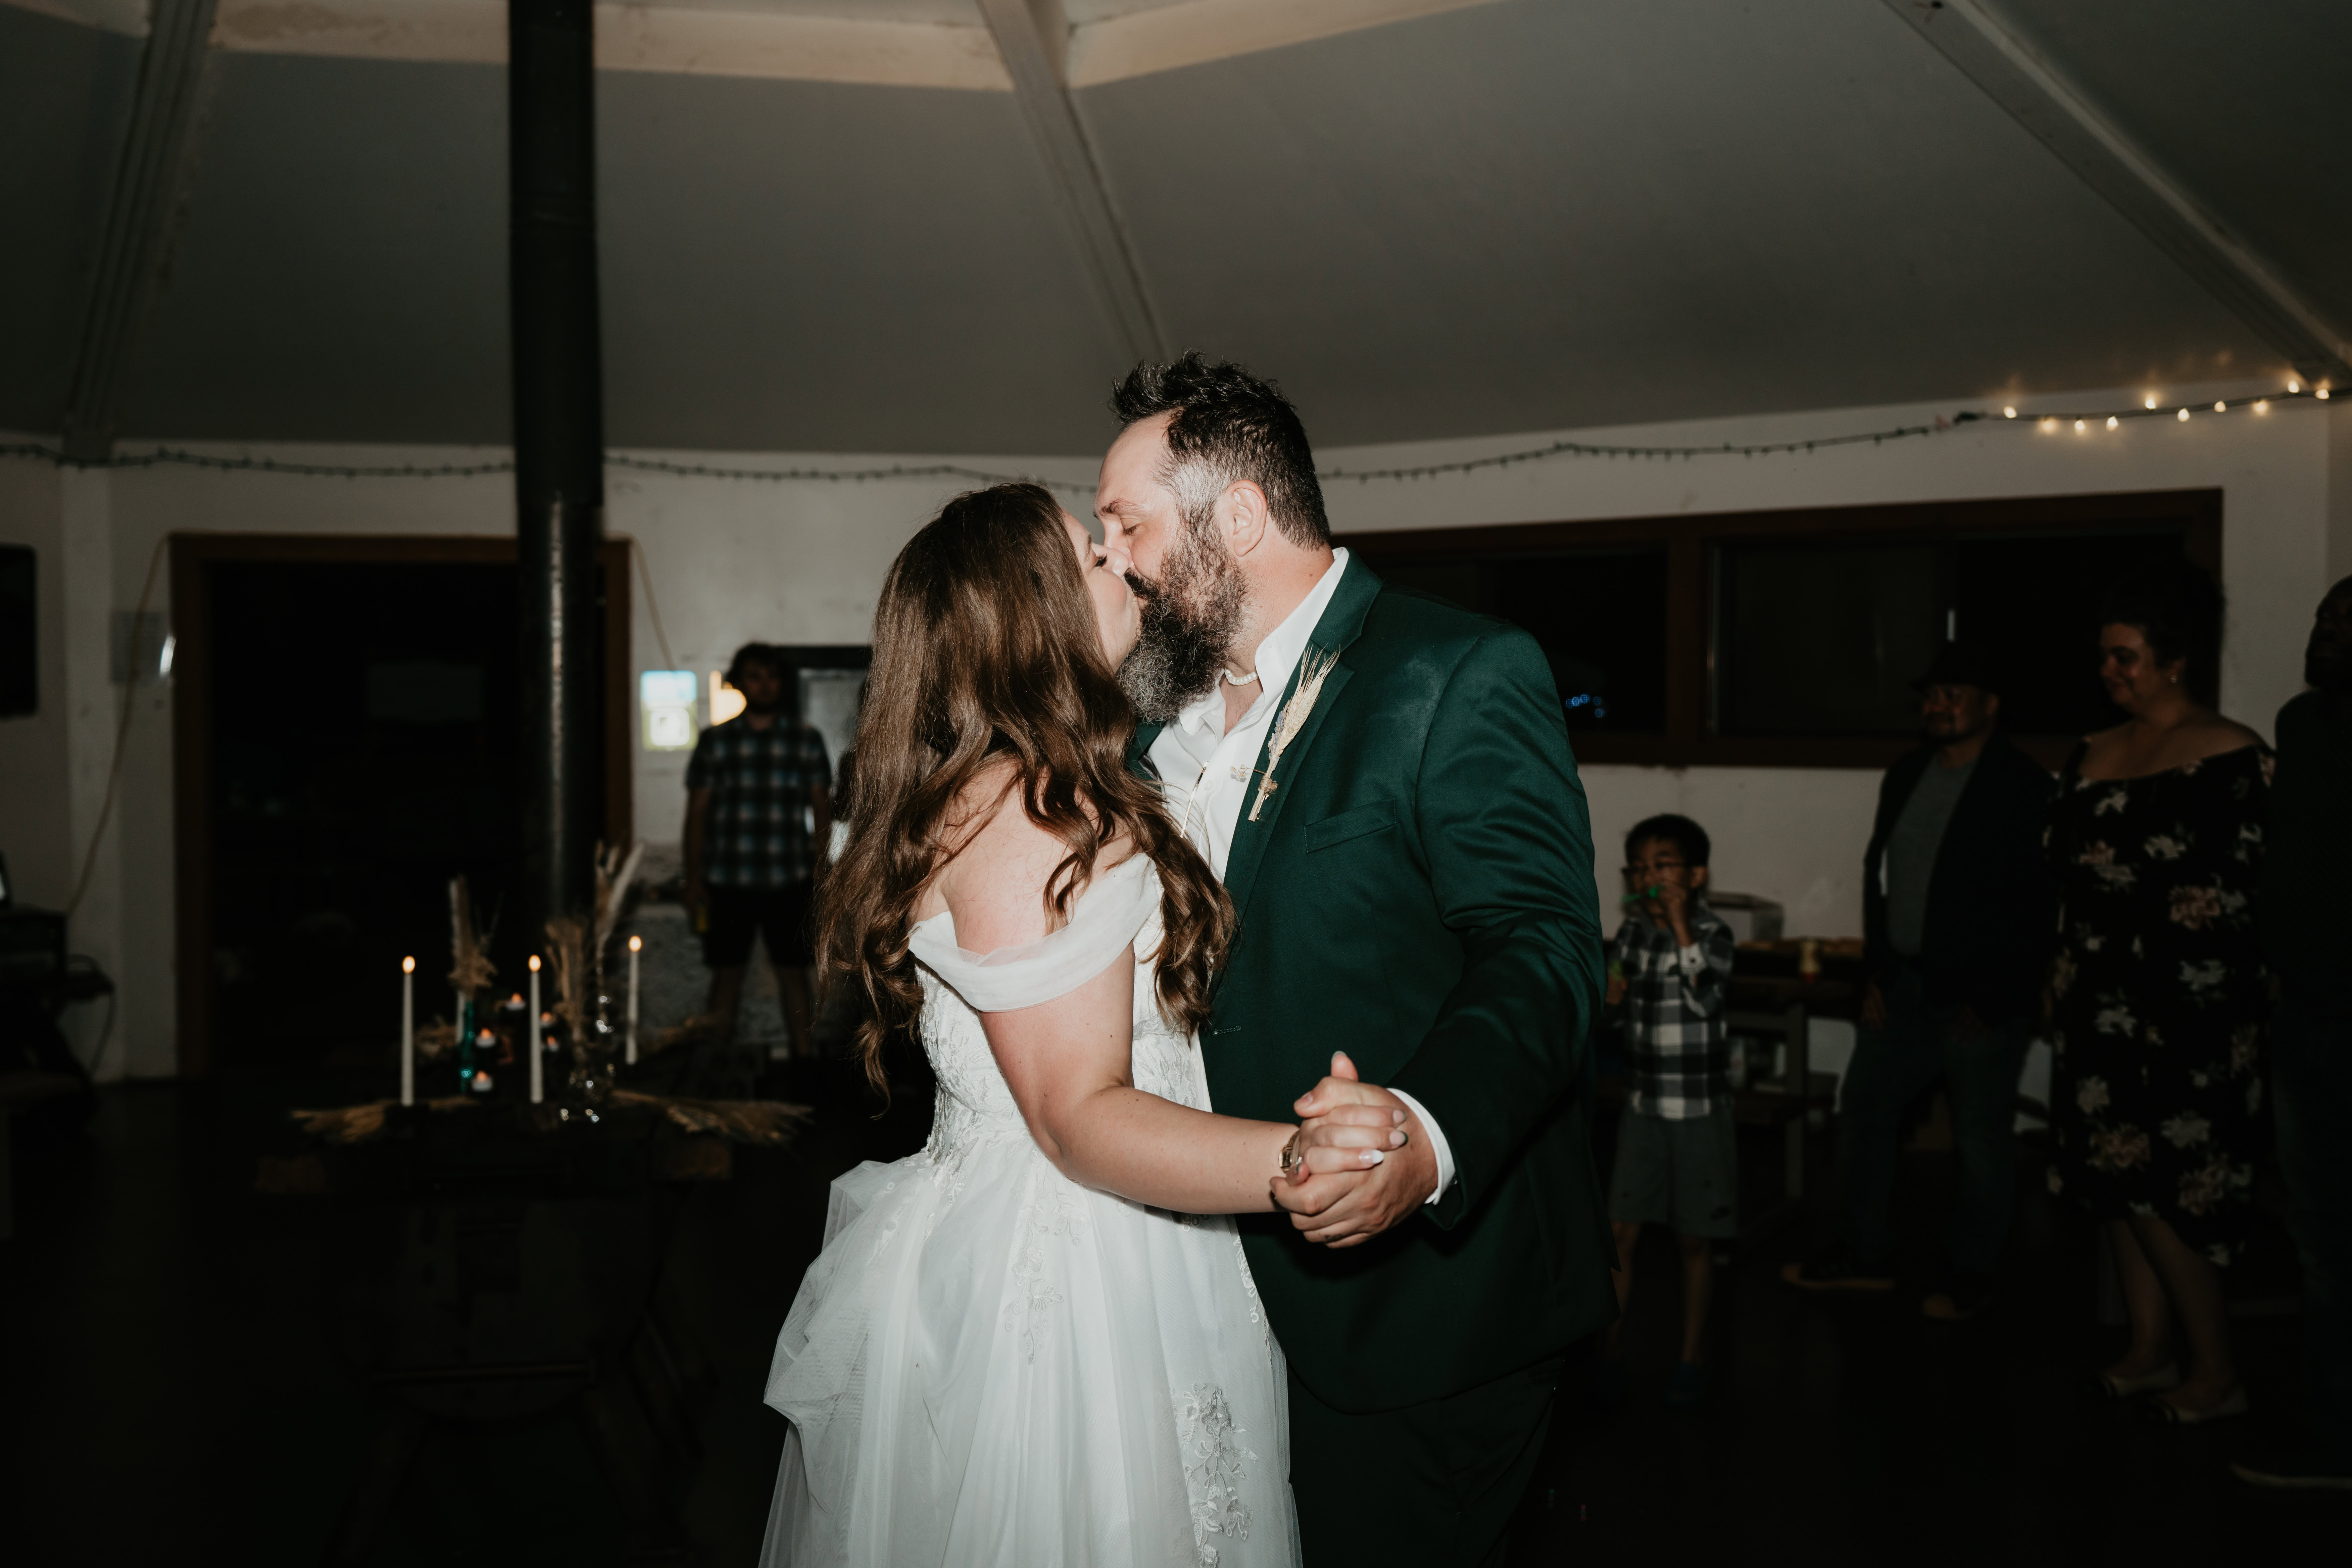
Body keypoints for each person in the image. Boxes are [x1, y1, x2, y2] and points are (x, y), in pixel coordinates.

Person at [760, 484, 1402, 1565]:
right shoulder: (1037, 808)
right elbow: (1075, 1117)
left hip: (1095, 1237)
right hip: (1077, 1279)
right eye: (1089, 554)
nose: (1121, 559)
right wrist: (1298, 1159)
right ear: (1030, 609)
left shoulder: (1020, 787)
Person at [1105, 355, 1613, 1564]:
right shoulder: (1141, 720)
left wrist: (1428, 1130)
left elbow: (1542, 948)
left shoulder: (1453, 671)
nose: (1111, 557)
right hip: (1193, 1291)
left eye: (1127, 523)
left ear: (1238, 515)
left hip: (1414, 1305)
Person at [2044, 560, 2268, 1424]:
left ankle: (2219, 1370)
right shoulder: (2091, 756)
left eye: (2126, 658)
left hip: (2192, 1010)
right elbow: (2063, 883)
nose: (2110, 672)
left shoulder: (2232, 755)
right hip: (2095, 995)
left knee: (2176, 1189)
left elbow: (2260, 895)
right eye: (2105, 657)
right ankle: (2148, 1347)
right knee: (2115, 1182)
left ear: (2174, 661)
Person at [1782, 644, 2054, 1319]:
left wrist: (1994, 998)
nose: (1937, 704)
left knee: (1981, 1136)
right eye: (1930, 694)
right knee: (1864, 1110)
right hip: (1902, 985)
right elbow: (1881, 878)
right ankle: (1864, 1249)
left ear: (1991, 705)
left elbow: (2035, 904)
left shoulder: (2023, 785)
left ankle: (1971, 1268)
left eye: (1953, 693)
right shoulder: (1905, 775)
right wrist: (1876, 970)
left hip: (1979, 998)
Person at [2234, 575, 2352, 1489]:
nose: (2330, 632)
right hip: (2306, 1014)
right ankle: (2335, 1439)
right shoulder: (2303, 726)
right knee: (2323, 1237)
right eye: (2326, 617)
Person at [1598, 813, 1737, 1408]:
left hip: (1699, 1112)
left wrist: (1681, 926)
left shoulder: (1712, 933)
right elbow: (1611, 1016)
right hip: (1643, 1108)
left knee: (1692, 1240)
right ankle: (1607, 1354)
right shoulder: (1630, 936)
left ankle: (1690, 1355)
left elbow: (1707, 999)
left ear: (1696, 874)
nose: (1649, 877)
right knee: (1620, 1232)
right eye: (1639, 867)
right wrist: (1607, 998)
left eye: (1664, 865)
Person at [681, 643, 831, 1058]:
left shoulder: (806, 739)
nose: (764, 685)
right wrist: (693, 877)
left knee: (794, 974)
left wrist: (823, 864)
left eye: (771, 676)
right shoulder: (716, 742)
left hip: (790, 879)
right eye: (754, 676)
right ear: (739, 682)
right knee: (726, 976)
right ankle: (716, 1065)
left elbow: (821, 806)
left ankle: (804, 1062)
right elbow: (697, 813)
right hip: (728, 880)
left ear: (781, 683)